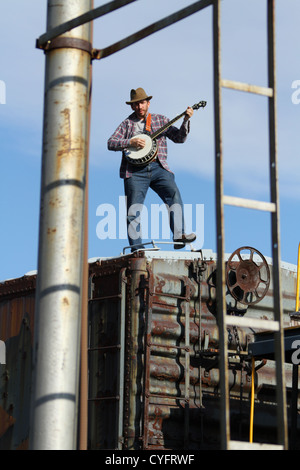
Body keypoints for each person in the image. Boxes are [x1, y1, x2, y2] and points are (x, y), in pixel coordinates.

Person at [107, 87, 196, 251]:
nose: (139, 107)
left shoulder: (161, 120)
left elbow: (179, 138)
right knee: (133, 211)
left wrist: (185, 121)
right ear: (132, 107)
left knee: (173, 194)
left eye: (142, 103)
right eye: (135, 105)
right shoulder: (126, 124)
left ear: (148, 103)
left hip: (158, 167)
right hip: (134, 172)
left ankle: (179, 235)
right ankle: (138, 249)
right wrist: (130, 143)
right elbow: (111, 143)